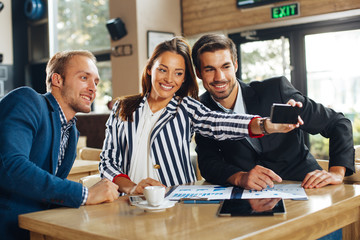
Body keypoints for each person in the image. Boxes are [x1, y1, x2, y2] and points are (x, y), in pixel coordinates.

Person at [99, 37, 301, 195]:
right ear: (150, 68)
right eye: (162, 69)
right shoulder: (122, 108)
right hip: (128, 203)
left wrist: (265, 125)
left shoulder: (186, 107)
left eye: (178, 73)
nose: (169, 79)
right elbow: (107, 161)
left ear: (185, 77)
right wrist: (131, 187)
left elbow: (220, 123)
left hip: (177, 201)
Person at [192, 33, 355, 191]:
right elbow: (208, 163)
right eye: (209, 69)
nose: (219, 77)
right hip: (252, 196)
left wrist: (336, 172)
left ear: (235, 65)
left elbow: (338, 123)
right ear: (199, 73)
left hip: (307, 186)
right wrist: (240, 177)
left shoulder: (275, 91)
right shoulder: (200, 109)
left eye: (225, 66)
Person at [0, 50, 119, 240]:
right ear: (57, 80)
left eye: (96, 82)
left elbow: (47, 195)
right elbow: (10, 166)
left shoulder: (71, 133)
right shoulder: (27, 100)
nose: (93, 88)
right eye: (84, 77)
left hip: (38, 228)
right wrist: (85, 194)